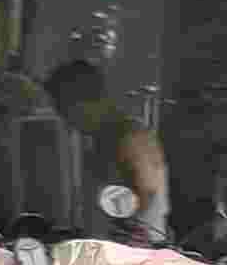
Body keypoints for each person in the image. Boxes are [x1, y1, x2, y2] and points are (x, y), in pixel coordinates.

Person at [45, 53, 170, 242]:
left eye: (65, 111)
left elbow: (147, 194)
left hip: (133, 254)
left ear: (82, 102)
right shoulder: (102, 142)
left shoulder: (132, 138)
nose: (68, 123)